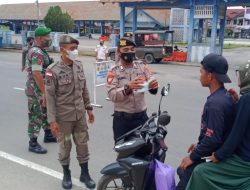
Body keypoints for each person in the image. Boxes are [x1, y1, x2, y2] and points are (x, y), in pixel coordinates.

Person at [176, 53, 236, 190]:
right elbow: (214, 132)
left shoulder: (216, 104)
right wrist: (199, 145)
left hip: (216, 155)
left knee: (184, 172)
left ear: (210, 76)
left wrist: (192, 157)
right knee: (181, 170)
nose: (200, 75)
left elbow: (212, 139)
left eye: (201, 71)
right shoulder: (224, 96)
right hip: (215, 150)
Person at [186, 62, 250, 190]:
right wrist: (238, 102)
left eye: (201, 72)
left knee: (200, 171)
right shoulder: (238, 99)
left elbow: (235, 135)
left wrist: (218, 155)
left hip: (244, 160)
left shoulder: (245, 99)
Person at [45, 34, 96, 189]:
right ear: (62, 50)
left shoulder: (79, 65)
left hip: (79, 115)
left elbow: (84, 89)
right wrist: (52, 121)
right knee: (65, 146)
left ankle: (84, 174)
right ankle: (66, 174)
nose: (75, 51)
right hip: (64, 118)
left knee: (82, 144)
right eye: (72, 49)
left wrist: (89, 109)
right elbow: (50, 98)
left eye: (76, 48)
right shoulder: (52, 70)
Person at [106, 38, 159, 142]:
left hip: (141, 118)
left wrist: (153, 85)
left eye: (132, 49)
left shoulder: (142, 66)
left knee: (144, 150)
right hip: (122, 121)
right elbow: (112, 96)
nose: (129, 52)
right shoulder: (113, 71)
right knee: (124, 154)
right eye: (125, 50)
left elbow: (151, 79)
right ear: (118, 52)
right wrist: (128, 87)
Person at [25, 26, 56, 154]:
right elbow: (37, 73)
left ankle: (48, 134)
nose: (49, 39)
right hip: (36, 89)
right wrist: (44, 92)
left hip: (41, 87)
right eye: (46, 37)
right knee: (36, 115)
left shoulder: (41, 51)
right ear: (39, 38)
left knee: (45, 111)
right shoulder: (37, 52)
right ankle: (32, 142)